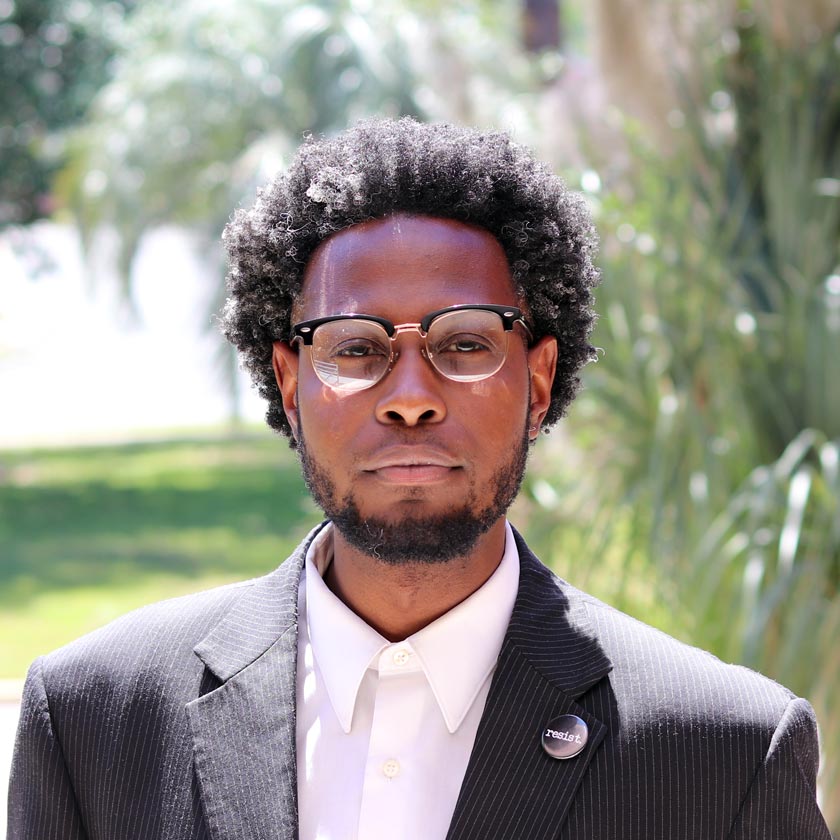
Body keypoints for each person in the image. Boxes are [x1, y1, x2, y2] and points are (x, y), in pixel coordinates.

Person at [7, 118, 831, 840]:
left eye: (467, 344)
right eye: (356, 348)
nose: (410, 399)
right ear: (292, 384)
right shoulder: (93, 722)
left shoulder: (724, 752)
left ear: (537, 383)